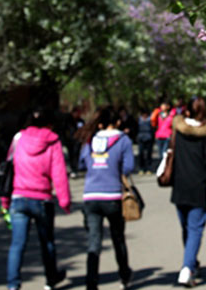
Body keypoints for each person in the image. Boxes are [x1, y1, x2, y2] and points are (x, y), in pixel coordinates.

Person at [3, 107, 71, 290]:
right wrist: (64, 200)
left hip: (18, 196)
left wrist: (5, 200)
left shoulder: (18, 139)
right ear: (50, 123)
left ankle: (13, 285)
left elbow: (9, 168)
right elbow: (59, 173)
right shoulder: (52, 142)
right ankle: (50, 280)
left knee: (17, 244)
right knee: (47, 241)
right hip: (42, 198)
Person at [79, 108, 135, 290]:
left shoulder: (90, 140)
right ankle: (124, 276)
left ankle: (91, 282)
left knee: (94, 242)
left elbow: (82, 163)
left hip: (91, 195)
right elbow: (128, 167)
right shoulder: (123, 140)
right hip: (112, 195)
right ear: (118, 123)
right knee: (118, 238)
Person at [171, 97, 206, 287]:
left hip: (180, 185)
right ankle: (187, 268)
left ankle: (191, 263)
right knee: (195, 229)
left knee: (186, 227)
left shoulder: (179, 130)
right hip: (199, 186)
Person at [136, 109, 155, 173]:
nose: (144, 115)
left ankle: (149, 168)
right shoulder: (139, 120)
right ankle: (141, 168)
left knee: (149, 154)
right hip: (141, 138)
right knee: (141, 153)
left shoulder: (151, 120)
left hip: (149, 137)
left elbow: (153, 129)